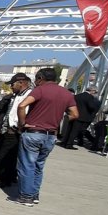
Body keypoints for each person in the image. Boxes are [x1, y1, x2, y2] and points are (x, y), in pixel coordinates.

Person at [13, 67, 78, 207]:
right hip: (51, 136)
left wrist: (22, 124)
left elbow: (22, 105)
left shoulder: (40, 90)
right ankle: (34, 194)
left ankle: (26, 196)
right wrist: (57, 118)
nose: (35, 82)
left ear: (41, 78)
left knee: (27, 166)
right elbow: (74, 114)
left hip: (34, 132)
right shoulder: (66, 93)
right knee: (39, 166)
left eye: (36, 79)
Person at [0, 73, 32, 188]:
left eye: (12, 84)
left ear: (21, 83)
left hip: (15, 131)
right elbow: (3, 112)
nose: (11, 86)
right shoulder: (16, 95)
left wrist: (20, 126)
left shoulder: (30, 96)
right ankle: (6, 176)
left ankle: (2, 180)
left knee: (6, 156)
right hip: (7, 129)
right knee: (5, 155)